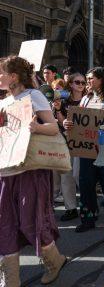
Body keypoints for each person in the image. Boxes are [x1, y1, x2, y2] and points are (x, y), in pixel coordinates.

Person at [0, 56, 67, 285]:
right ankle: (10, 278)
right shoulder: (3, 102)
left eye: (1, 73)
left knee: (32, 221)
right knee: (4, 223)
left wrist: (37, 126)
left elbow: (53, 127)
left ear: (14, 77)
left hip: (30, 169)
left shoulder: (33, 96)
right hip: (5, 171)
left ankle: (54, 260)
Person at [64, 67, 104, 232]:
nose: (88, 82)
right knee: (86, 183)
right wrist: (67, 124)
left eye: (91, 78)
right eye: (87, 78)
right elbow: (78, 123)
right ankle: (88, 218)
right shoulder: (86, 99)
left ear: (101, 79)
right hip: (87, 150)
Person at [54, 73, 87, 222]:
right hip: (66, 141)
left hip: (84, 143)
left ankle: (88, 206)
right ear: (71, 84)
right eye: (77, 82)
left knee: (79, 175)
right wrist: (63, 120)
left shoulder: (88, 100)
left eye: (83, 82)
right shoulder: (63, 101)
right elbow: (61, 121)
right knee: (66, 175)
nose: (81, 84)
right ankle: (71, 208)